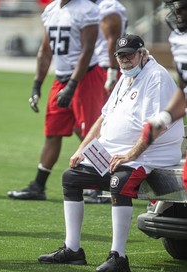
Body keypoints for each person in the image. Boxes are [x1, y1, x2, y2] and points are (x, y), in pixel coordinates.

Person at [38, 34, 184, 272]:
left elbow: (155, 126)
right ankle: (73, 250)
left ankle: (118, 256)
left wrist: (130, 154)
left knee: (119, 183)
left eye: (130, 54)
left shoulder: (155, 77)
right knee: (71, 177)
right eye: (121, 55)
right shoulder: (126, 76)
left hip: (147, 155)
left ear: (142, 53)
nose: (125, 60)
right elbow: (103, 118)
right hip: (117, 152)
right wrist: (81, 149)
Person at [7, 0, 104, 200]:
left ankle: (101, 185)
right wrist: (36, 85)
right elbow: (45, 50)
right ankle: (38, 186)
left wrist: (72, 84)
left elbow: (87, 50)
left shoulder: (87, 9)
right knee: (53, 132)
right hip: (61, 78)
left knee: (89, 132)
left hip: (86, 77)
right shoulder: (51, 9)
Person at [84, 0, 128, 203]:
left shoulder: (109, 6)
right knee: (91, 126)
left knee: (102, 127)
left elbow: (113, 40)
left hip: (106, 70)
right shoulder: (96, 7)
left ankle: (103, 183)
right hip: (98, 69)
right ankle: (101, 178)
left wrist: (111, 72)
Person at [142, 0, 187, 177]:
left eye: (183, 9)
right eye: (176, 9)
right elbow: (184, 89)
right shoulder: (178, 38)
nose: (177, 14)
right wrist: (163, 118)